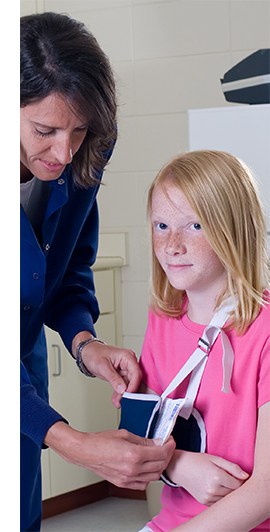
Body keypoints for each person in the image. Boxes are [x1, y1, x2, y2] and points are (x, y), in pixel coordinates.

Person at [20, 12, 175, 532]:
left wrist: (86, 343)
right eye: (44, 131)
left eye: (79, 130)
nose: (64, 152)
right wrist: (75, 443)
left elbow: (65, 273)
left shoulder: (83, 148)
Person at [137, 150, 270, 531]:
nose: (172, 244)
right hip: (172, 522)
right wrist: (178, 465)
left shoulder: (263, 332)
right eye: (161, 225)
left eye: (194, 226)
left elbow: (265, 490)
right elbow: (142, 440)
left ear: (234, 229)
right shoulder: (162, 319)